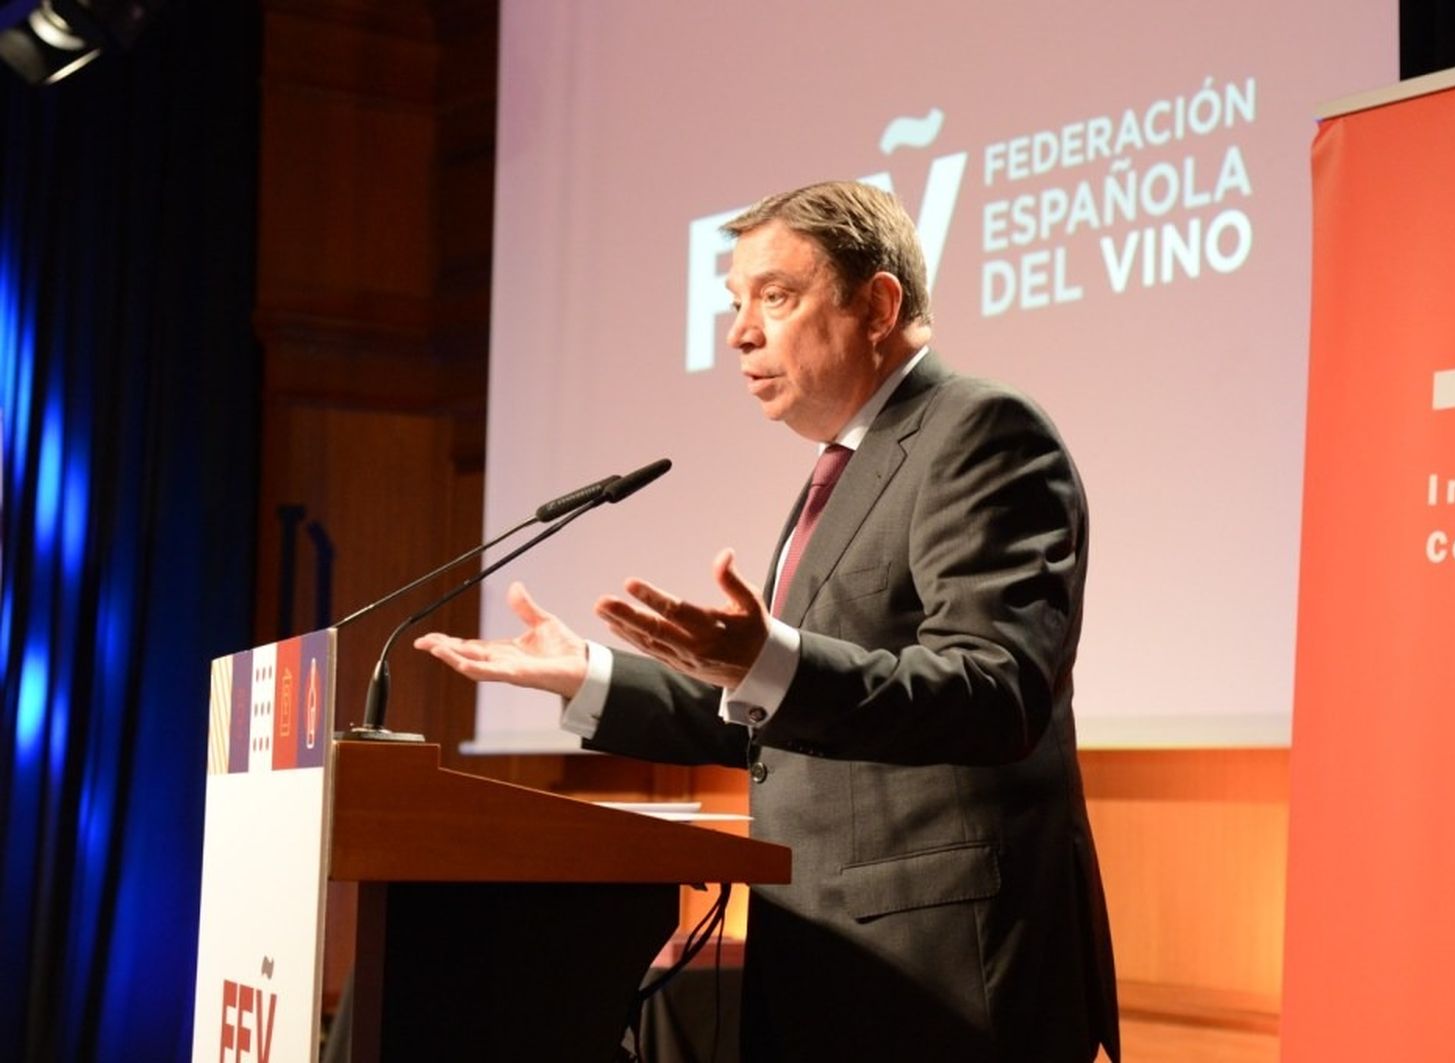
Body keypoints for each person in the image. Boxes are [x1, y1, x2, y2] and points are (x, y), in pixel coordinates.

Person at [416, 181, 1119, 1062]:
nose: (740, 332)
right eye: (734, 302)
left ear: (877, 304)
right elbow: (787, 722)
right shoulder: (849, 465)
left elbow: (993, 690)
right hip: (831, 955)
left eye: (775, 297)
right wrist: (589, 675)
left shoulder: (979, 432)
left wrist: (768, 661)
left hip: (945, 969)